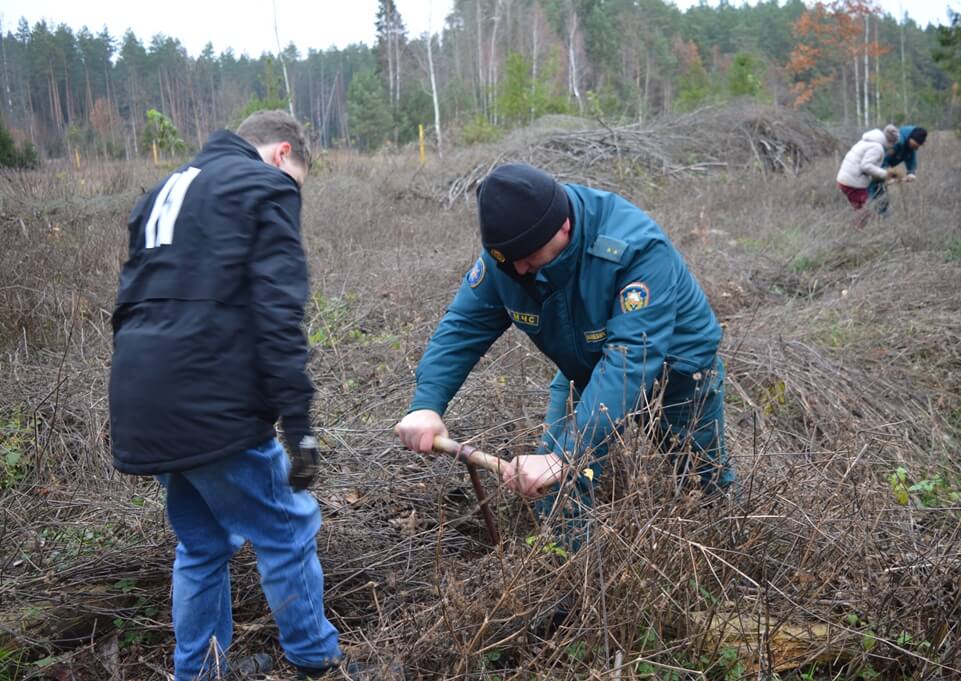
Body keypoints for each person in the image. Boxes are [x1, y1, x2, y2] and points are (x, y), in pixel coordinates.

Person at [109, 111, 356, 680]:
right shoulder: (264, 184)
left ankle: (199, 673)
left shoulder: (163, 191)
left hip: (144, 397)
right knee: (289, 529)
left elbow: (131, 305)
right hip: (209, 403)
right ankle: (317, 660)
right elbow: (278, 313)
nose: (293, 196)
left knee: (202, 544)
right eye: (297, 181)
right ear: (281, 154)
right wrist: (300, 428)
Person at [395, 163, 732, 541]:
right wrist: (426, 404)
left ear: (564, 229)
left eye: (530, 256)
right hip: (585, 368)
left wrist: (568, 454)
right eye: (510, 261)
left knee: (703, 478)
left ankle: (726, 555)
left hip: (679, 371)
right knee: (557, 489)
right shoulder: (509, 256)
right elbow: (464, 325)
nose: (521, 270)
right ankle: (575, 590)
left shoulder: (634, 248)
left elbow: (629, 359)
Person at [837, 125, 900, 227]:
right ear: (891, 142)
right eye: (893, 144)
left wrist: (885, 177)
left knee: (859, 209)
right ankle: (855, 233)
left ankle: (855, 231)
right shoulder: (877, 147)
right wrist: (886, 173)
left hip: (845, 179)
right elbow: (866, 166)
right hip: (852, 183)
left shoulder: (867, 141)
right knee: (864, 211)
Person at [868, 125, 928, 213]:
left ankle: (881, 216)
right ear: (910, 138)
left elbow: (911, 158)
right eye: (915, 145)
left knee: (882, 198)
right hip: (872, 168)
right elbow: (882, 158)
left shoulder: (910, 146)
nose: (916, 148)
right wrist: (889, 174)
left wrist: (911, 173)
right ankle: (869, 214)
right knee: (871, 194)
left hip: (883, 171)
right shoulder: (897, 142)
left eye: (917, 147)